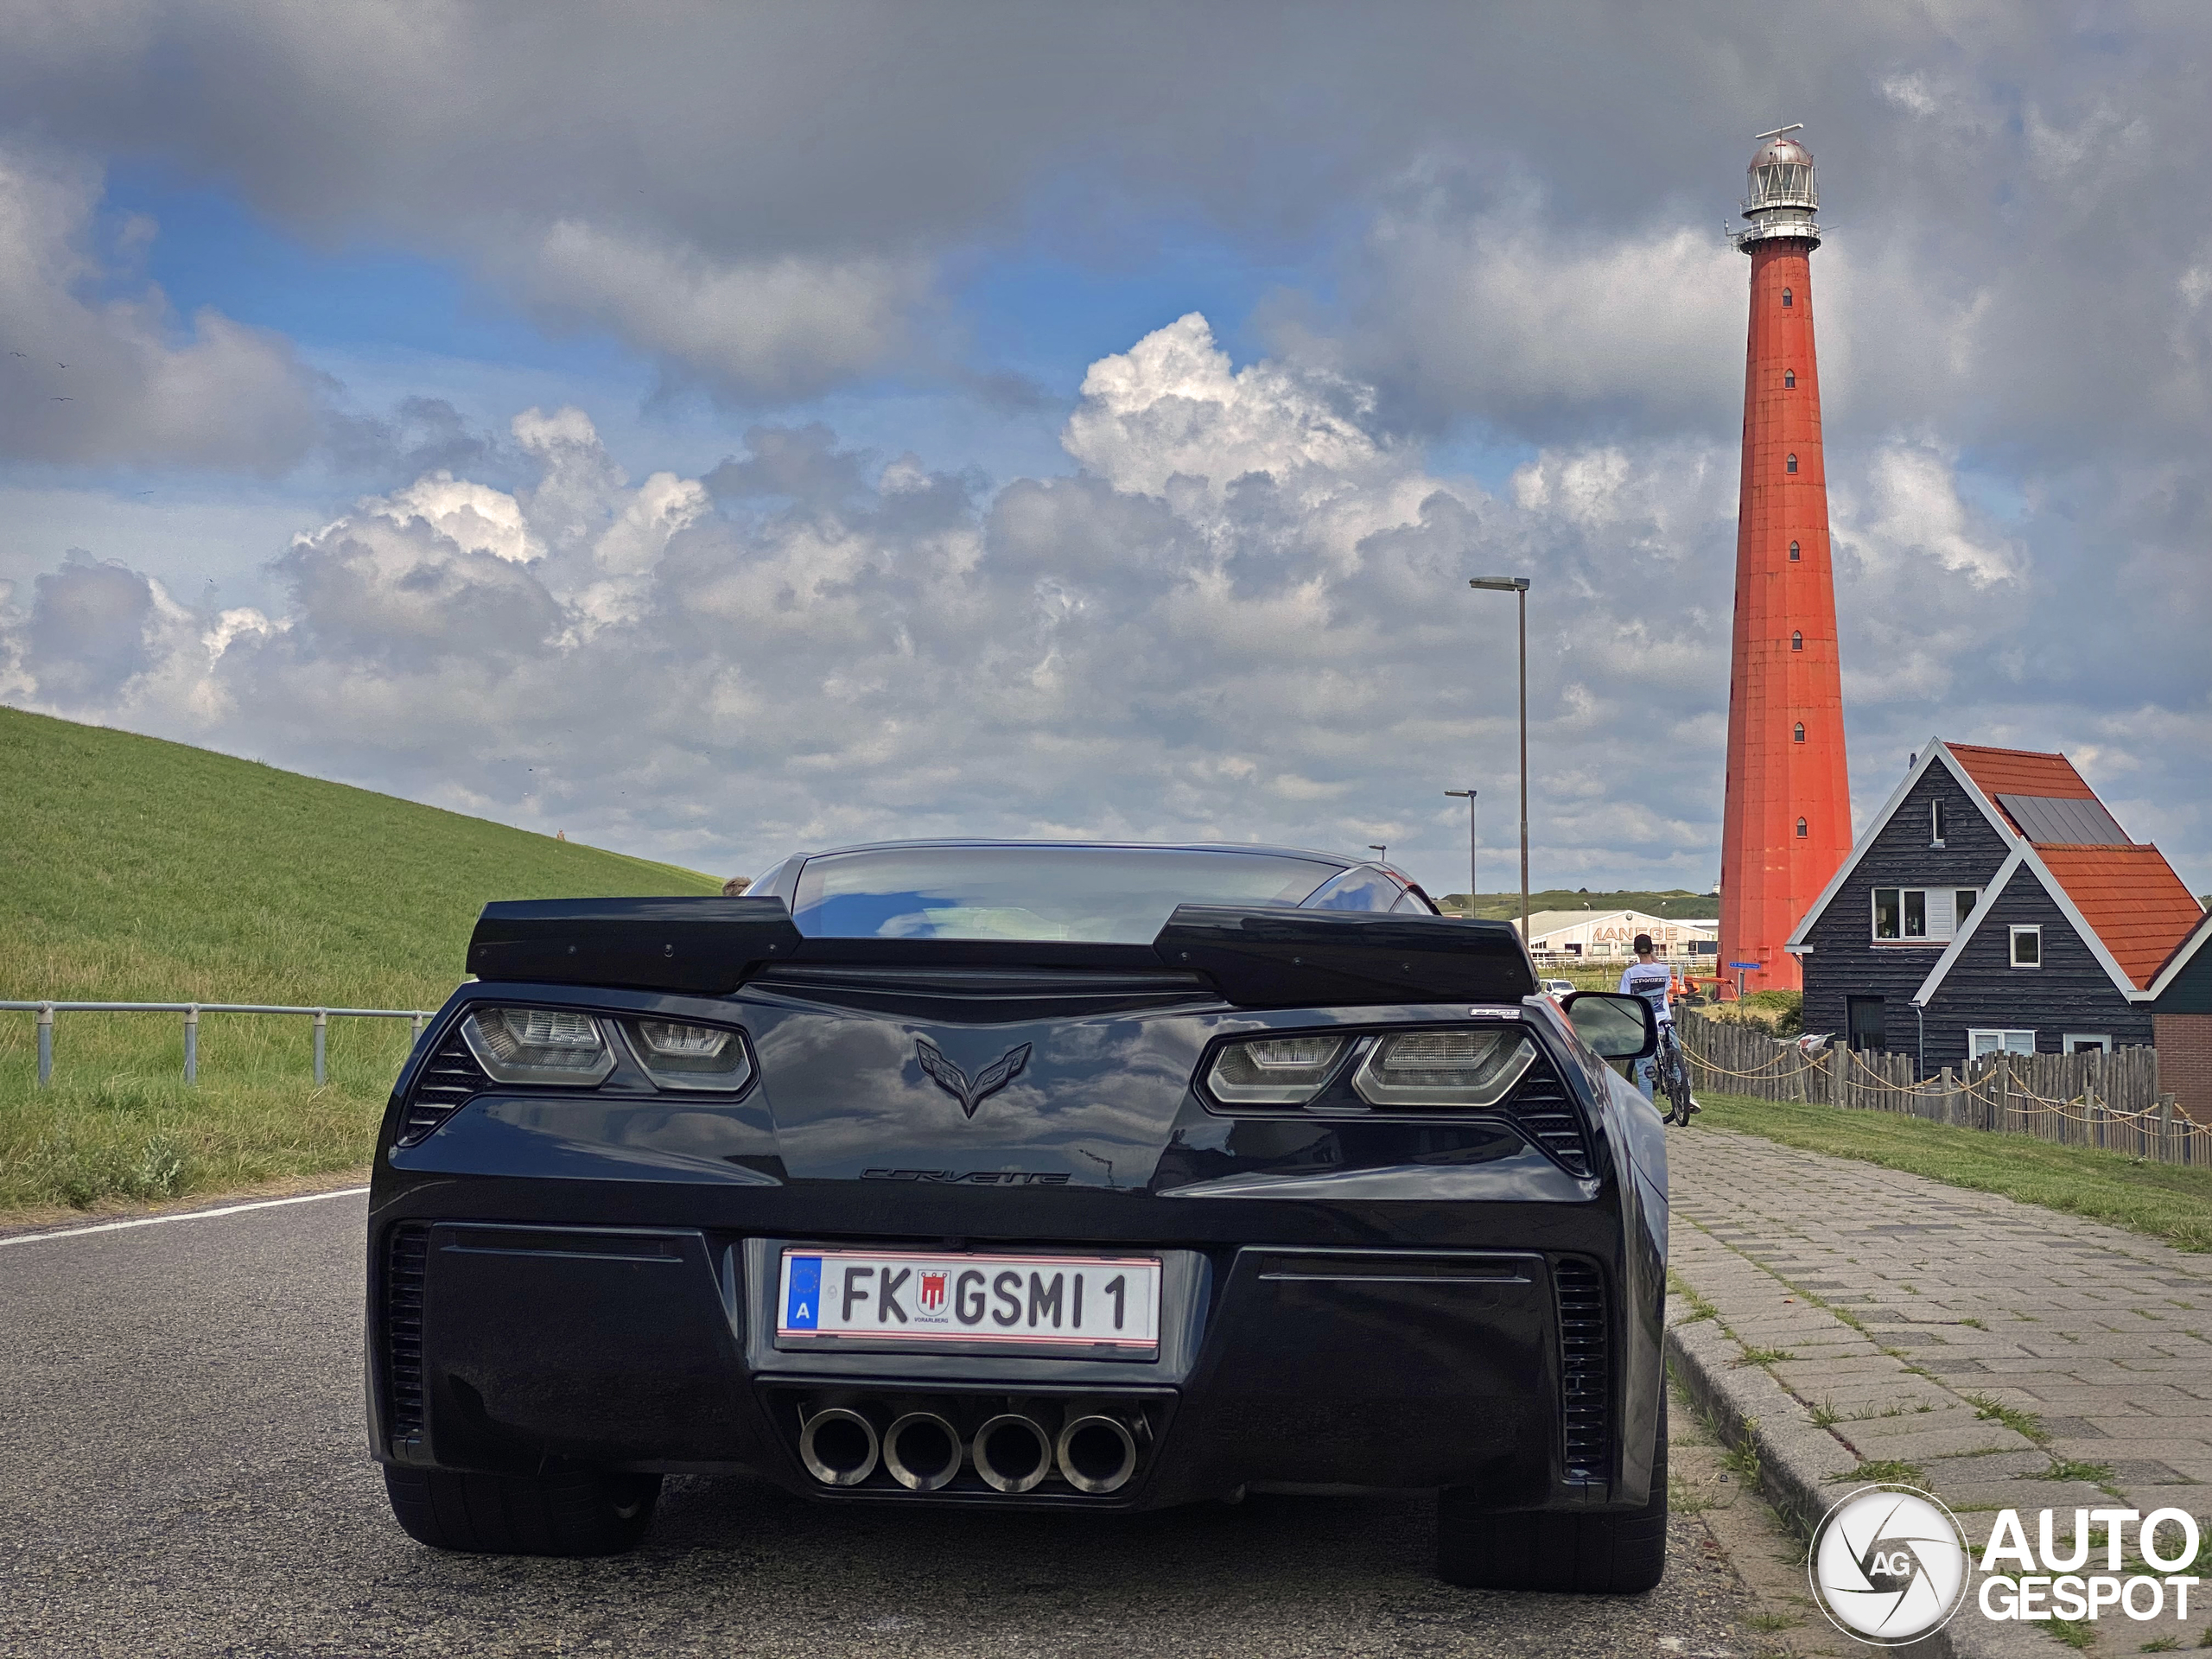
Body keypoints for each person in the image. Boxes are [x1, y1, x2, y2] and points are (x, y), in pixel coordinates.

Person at [1617, 934, 1673, 1099]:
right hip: (1664, 1021)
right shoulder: (1664, 969)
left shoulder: (1630, 973)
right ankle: (1685, 1094)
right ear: (1652, 949)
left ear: (1635, 951)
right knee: (1676, 1060)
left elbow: (1625, 999)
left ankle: (1649, 1108)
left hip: (1643, 1025)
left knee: (1645, 1070)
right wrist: (1655, 959)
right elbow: (1668, 986)